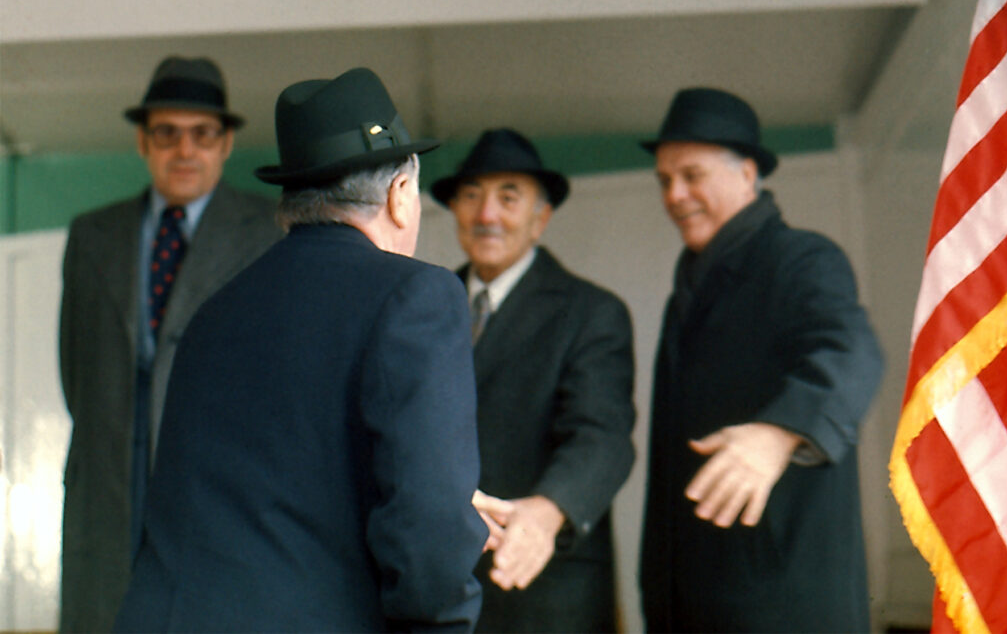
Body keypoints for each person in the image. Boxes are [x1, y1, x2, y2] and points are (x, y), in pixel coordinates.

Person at [112, 67, 488, 632]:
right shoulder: (416, 293)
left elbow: (264, 493)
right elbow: (428, 530)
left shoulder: (212, 313)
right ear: (401, 193)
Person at [638, 87, 883, 633]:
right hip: (695, 608)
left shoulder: (802, 259)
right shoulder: (687, 292)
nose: (675, 195)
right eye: (664, 179)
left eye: (692, 175)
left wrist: (778, 434)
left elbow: (851, 348)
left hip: (786, 608)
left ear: (748, 174)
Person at [58, 56, 281, 633]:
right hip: (105, 493)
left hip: (219, 496)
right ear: (142, 140)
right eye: (167, 133)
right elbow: (75, 368)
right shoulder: (92, 235)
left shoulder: (270, 233)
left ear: (227, 142)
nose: (185, 150)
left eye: (203, 134)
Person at [430, 128, 636, 633]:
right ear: (454, 210)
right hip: (435, 590)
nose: (487, 215)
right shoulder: (421, 310)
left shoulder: (590, 313)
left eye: (509, 197)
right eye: (472, 196)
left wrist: (546, 513)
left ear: (540, 218)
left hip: (545, 593)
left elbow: (602, 435)